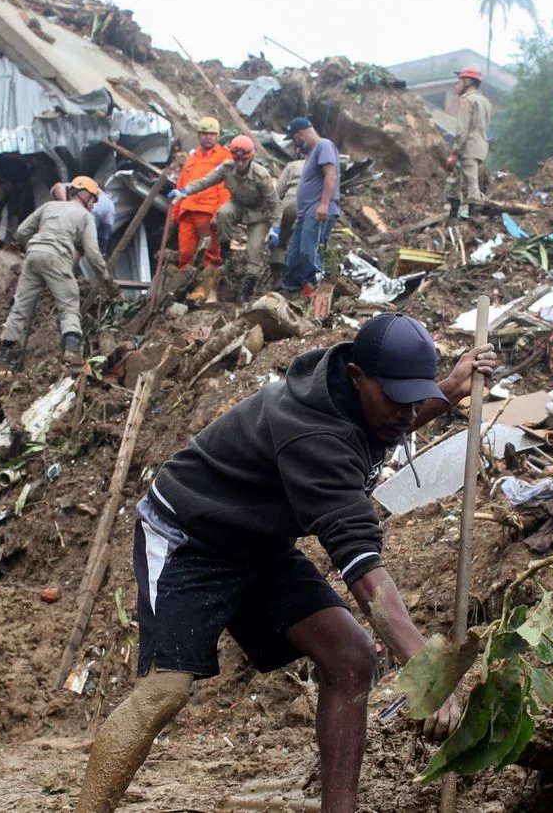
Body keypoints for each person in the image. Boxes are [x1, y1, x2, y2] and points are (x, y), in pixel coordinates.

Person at [75, 313, 493, 813]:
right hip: (190, 535)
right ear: (359, 376)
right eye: (396, 397)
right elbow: (363, 572)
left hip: (258, 540)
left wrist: (448, 389)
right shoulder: (313, 436)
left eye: (414, 396)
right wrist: (429, 671)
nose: (407, 413)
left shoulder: (355, 393)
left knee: (351, 657)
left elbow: (390, 416)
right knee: (163, 691)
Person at [0, 176, 119, 367]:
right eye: (93, 200)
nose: (94, 206)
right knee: (69, 304)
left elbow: (21, 231)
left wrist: (35, 246)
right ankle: (71, 352)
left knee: (21, 305)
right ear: (85, 195)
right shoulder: (85, 216)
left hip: (33, 256)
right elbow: (93, 254)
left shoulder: (49, 206)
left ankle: (4, 355)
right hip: (57, 258)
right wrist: (107, 279)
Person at [170, 135, 277, 302]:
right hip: (238, 205)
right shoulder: (227, 168)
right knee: (223, 212)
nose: (240, 163)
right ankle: (226, 253)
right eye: (237, 159)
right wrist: (184, 191)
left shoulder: (261, 176)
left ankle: (246, 292)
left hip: (259, 214)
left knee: (254, 250)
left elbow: (275, 204)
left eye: (244, 160)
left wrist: (275, 228)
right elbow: (206, 181)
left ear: (251, 158)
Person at [168, 117, 233, 300]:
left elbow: (225, 188)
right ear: (199, 135)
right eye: (204, 133)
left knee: (211, 255)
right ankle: (183, 293)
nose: (207, 138)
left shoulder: (223, 157)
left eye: (211, 134)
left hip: (208, 211)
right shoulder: (192, 157)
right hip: (187, 212)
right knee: (185, 255)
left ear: (217, 136)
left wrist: (219, 213)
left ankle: (208, 293)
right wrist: (175, 215)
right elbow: (182, 186)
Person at [280, 117, 340, 295]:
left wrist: (323, 205)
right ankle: (290, 291)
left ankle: (314, 290)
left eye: (294, 140)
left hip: (318, 211)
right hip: (306, 214)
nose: (295, 144)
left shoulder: (324, 146)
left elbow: (331, 175)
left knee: (309, 252)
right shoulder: (312, 153)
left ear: (300, 134)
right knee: (294, 255)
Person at [445, 67, 491, 218]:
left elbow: (462, 130)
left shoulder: (468, 100)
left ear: (468, 81)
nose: (457, 85)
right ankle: (453, 216)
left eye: (460, 80)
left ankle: (473, 219)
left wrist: (454, 152)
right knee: (456, 180)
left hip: (468, 147)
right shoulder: (485, 102)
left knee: (471, 182)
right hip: (480, 147)